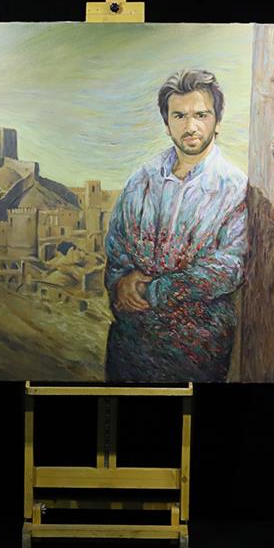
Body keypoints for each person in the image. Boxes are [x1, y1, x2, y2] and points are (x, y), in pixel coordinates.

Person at [104, 69, 247, 382]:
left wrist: (156, 290)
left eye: (201, 115)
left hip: (196, 349)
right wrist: (120, 282)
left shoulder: (235, 188)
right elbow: (116, 249)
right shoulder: (140, 181)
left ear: (217, 121)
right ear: (167, 123)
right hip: (131, 345)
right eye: (179, 116)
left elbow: (229, 267)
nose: (190, 126)